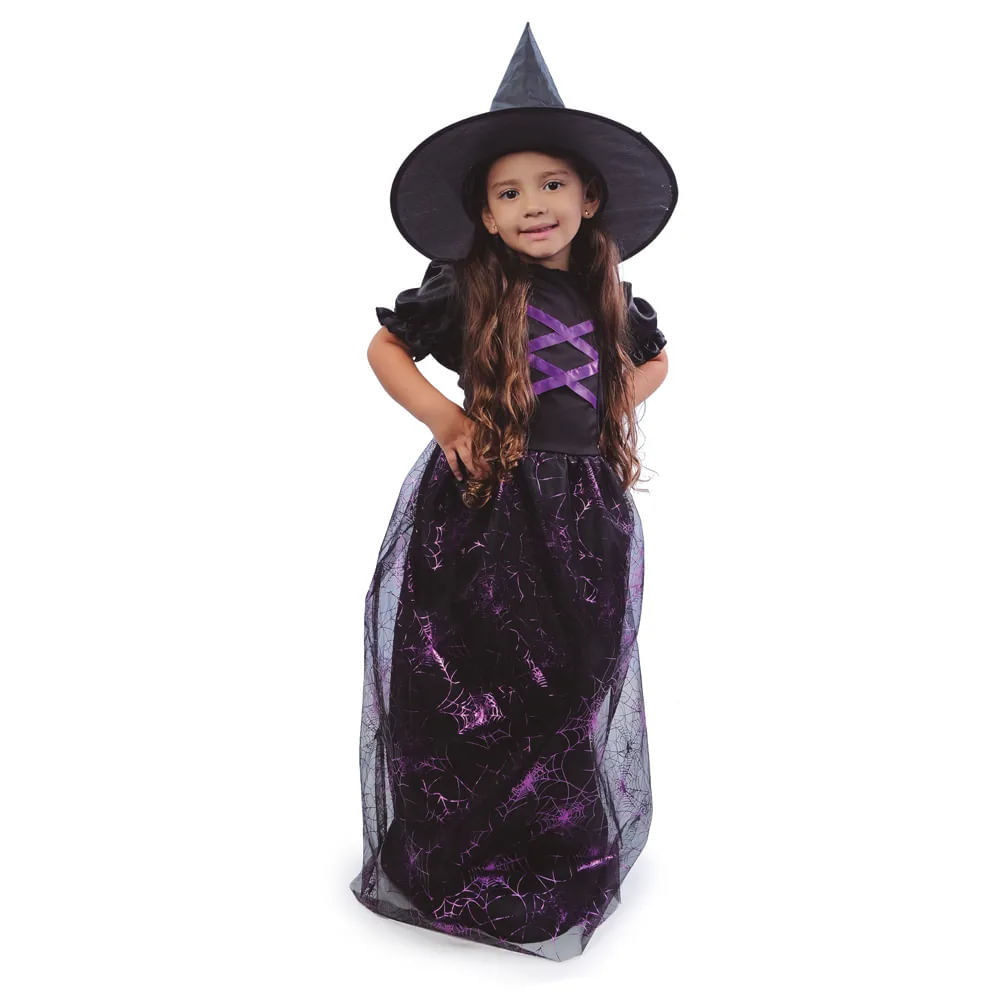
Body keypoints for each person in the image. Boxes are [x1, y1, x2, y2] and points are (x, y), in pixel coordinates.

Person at [350, 22, 678, 961]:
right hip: (484, 508)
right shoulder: (468, 287)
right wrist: (447, 422)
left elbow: (657, 361)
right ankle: (461, 845)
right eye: (509, 192)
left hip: (583, 513)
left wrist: (611, 403)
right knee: (474, 671)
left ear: (588, 196)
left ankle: (549, 842)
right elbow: (386, 347)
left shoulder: (611, 294)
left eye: (551, 184)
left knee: (573, 672)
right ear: (487, 217)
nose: (534, 204)